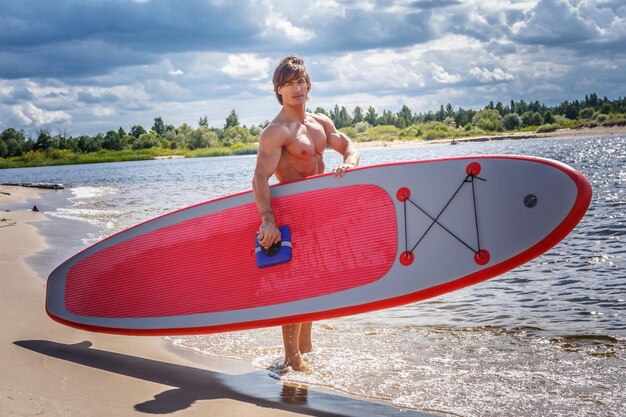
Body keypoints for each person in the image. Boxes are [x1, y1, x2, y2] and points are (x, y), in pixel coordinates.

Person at [252, 55, 360, 371]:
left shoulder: (321, 123)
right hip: (293, 216)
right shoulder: (276, 131)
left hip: (322, 216)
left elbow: (350, 146)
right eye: (289, 84)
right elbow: (259, 178)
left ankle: (306, 350)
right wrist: (268, 221)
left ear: (308, 85)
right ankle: (290, 359)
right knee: (297, 285)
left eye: (300, 82)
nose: (296, 88)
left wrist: (349, 164)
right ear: (279, 90)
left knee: (316, 284)